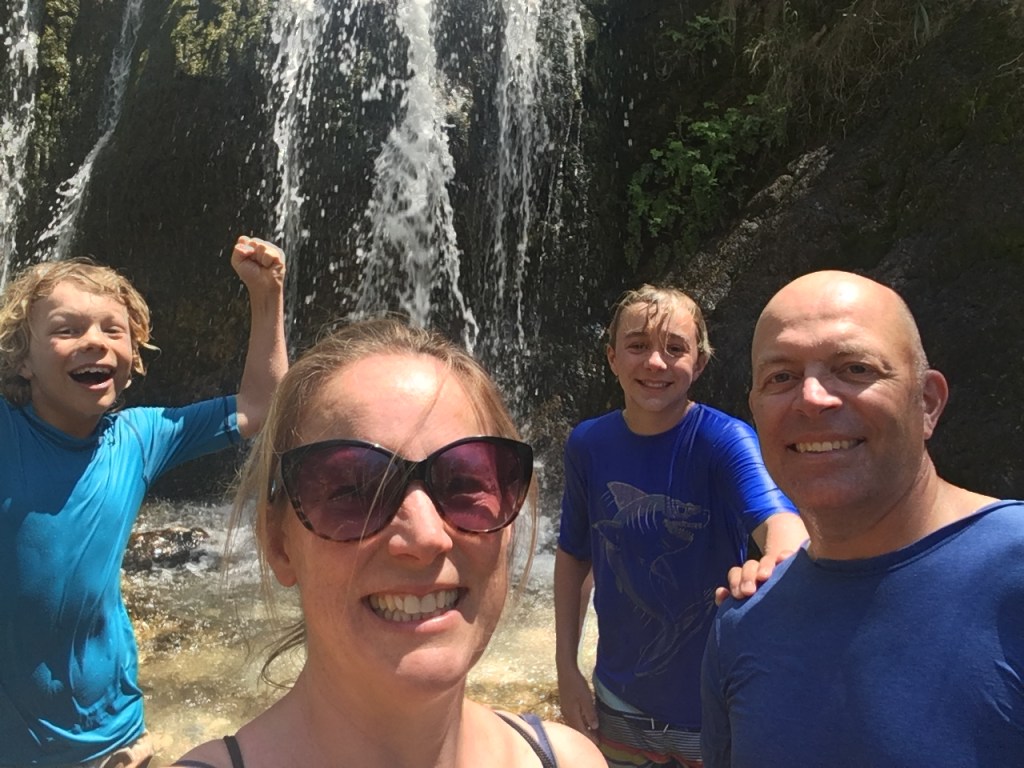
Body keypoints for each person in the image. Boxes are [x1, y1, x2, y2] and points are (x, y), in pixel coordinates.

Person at [171, 317, 606, 768]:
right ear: (279, 545)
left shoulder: (572, 760)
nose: (426, 536)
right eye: (354, 491)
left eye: (465, 481)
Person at [700, 270, 1024, 767]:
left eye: (854, 368)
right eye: (781, 377)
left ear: (927, 402)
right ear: (756, 411)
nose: (812, 398)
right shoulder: (742, 624)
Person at [0, 236, 288, 768]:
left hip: (113, 737)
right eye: (67, 330)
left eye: (113, 330)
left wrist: (266, 295)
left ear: (132, 358)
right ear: (22, 360)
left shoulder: (139, 438)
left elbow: (261, 405)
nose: (94, 341)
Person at [554, 285, 807, 768]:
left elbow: (779, 520)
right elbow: (574, 554)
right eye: (637, 345)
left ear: (700, 362)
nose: (655, 362)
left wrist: (780, 559)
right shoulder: (587, 444)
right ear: (612, 357)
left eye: (675, 348)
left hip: (712, 710)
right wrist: (567, 668)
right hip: (617, 699)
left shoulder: (725, 440)